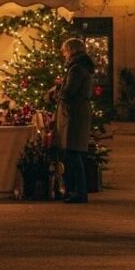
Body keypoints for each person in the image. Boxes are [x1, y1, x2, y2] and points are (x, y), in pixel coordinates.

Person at [54, 38, 95, 204]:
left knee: (73, 153)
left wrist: (58, 90)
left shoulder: (76, 68)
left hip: (74, 114)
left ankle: (79, 192)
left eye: (65, 51)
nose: (64, 54)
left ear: (71, 50)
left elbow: (68, 91)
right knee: (74, 153)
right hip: (77, 112)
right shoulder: (80, 67)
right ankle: (77, 191)